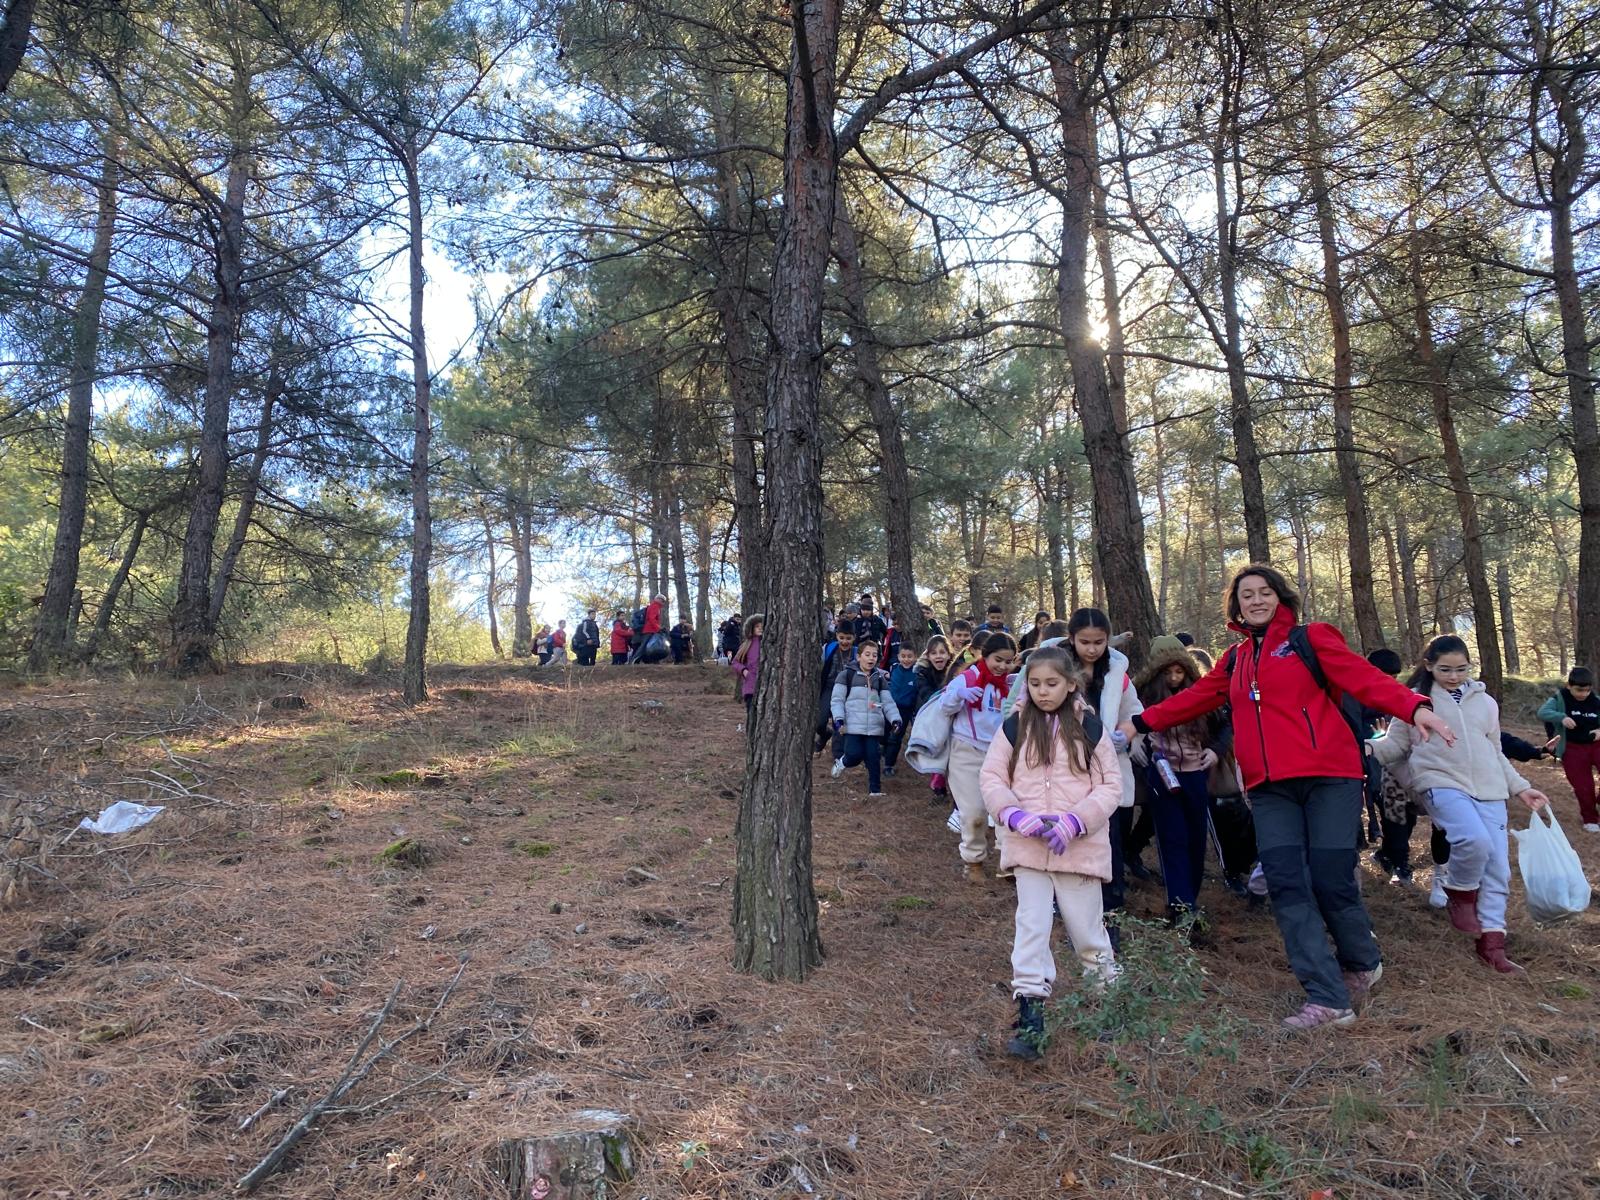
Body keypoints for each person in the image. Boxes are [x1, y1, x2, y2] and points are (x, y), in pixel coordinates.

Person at [1122, 564, 1458, 1030]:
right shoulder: (1235, 660)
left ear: (1281, 597)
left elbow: (1363, 678)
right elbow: (1196, 698)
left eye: (1264, 592)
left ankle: (1361, 961)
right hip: (1269, 787)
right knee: (1285, 882)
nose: (1256, 601)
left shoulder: (1311, 639)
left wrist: (1414, 706)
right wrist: (1139, 722)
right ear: (1236, 605)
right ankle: (1327, 997)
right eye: (1246, 595)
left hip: (1329, 778)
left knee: (1330, 876)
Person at [1371, 636, 1549, 974]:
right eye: (1445, 670)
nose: (1454, 676)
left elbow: (1495, 751)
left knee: (1498, 867)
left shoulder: (1486, 704)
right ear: (1428, 666)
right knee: (1472, 839)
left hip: (1491, 788)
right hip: (1441, 783)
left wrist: (1521, 788)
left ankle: (1493, 943)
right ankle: (1461, 893)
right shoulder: (1413, 703)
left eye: (1461, 669)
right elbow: (1392, 747)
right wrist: (1360, 750)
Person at [980, 645, 1121, 1059]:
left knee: (1087, 933)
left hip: (1078, 850)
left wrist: (1076, 821)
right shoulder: (1014, 727)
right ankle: (1031, 1018)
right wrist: (1013, 815)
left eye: (1052, 684)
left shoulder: (1090, 729)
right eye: (1036, 684)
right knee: (1031, 929)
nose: (1043, 692)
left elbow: (1110, 786)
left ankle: (1110, 1006)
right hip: (1028, 849)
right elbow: (991, 776)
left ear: (1071, 684)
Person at [1132, 635, 1229, 926]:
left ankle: (1191, 900)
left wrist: (1214, 751)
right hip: (1161, 777)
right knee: (1172, 840)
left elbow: (1225, 724)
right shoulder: (1142, 695)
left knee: (1196, 841)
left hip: (1195, 775)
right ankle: (1180, 906)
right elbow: (1126, 721)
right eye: (1168, 672)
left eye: (1180, 672)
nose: (1175, 678)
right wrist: (1137, 740)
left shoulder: (1200, 695)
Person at [1059, 610, 1143, 938]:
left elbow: (1134, 711)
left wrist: (1126, 731)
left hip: (1109, 767)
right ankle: (1074, 909)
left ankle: (1111, 913)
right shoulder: (1056, 666)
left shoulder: (1117, 671)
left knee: (1112, 842)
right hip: (1068, 768)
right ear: (1071, 639)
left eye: (1099, 642)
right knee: (1076, 838)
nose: (1092, 649)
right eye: (1084, 642)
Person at [940, 631, 1020, 882]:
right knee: (974, 812)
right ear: (984, 656)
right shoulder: (967, 679)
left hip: (1001, 752)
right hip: (967, 751)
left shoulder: (1014, 684)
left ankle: (1008, 862)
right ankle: (973, 861)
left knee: (1006, 808)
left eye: (1008, 661)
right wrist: (959, 695)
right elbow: (944, 707)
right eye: (998, 659)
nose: (1003, 666)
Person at [829, 640, 902, 798]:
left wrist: (895, 719)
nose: (871, 658)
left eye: (874, 655)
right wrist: (838, 719)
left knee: (873, 757)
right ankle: (842, 762)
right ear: (859, 656)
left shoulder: (879, 678)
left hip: (874, 726)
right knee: (854, 755)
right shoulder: (846, 675)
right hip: (853, 725)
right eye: (867, 654)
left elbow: (888, 702)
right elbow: (837, 700)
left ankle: (874, 790)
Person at [1539, 667, 1600, 832]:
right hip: (1572, 747)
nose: (1584, 694)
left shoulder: (1596, 701)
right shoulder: (1560, 699)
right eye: (1579, 690)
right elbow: (1543, 712)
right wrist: (1562, 717)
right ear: (1569, 686)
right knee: (1583, 785)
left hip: (1596, 745)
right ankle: (1590, 819)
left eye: (1587, 690)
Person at [914, 635, 956, 802]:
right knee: (938, 747)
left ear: (949, 654)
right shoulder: (922, 672)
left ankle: (955, 786)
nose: (938, 656)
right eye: (934, 653)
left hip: (952, 714)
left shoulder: (955, 670)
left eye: (942, 652)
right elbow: (924, 692)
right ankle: (938, 784)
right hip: (932, 714)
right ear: (928, 656)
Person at [814, 626, 859, 755]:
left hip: (846, 690)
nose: (845, 641)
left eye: (848, 638)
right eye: (842, 638)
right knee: (820, 722)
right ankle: (824, 734)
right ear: (837, 635)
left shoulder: (857, 653)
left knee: (838, 721)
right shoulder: (829, 648)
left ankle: (837, 754)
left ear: (854, 638)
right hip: (829, 687)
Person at [884, 642, 921, 777]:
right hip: (888, 707)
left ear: (915, 657)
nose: (906, 659)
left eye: (909, 656)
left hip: (904, 710)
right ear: (898, 656)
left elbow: (918, 693)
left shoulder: (917, 672)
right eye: (903, 656)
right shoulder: (894, 668)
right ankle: (883, 751)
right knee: (884, 733)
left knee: (895, 737)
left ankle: (889, 765)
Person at [730, 614, 763, 731]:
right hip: (750, 686)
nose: (760, 628)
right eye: (757, 626)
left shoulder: (769, 644)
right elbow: (735, 662)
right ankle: (750, 736)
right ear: (751, 628)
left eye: (762, 626)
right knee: (752, 713)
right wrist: (744, 671)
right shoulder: (747, 645)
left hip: (765, 686)